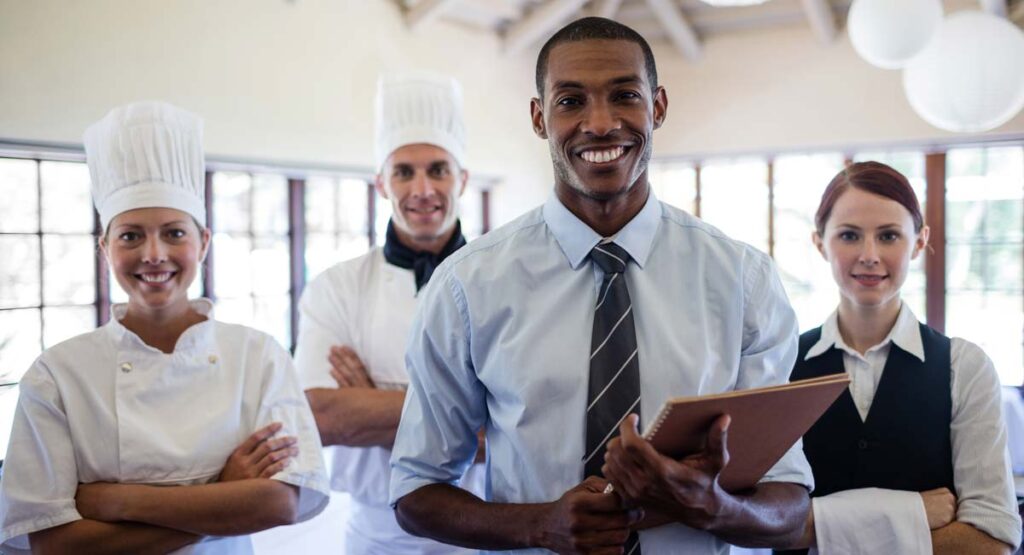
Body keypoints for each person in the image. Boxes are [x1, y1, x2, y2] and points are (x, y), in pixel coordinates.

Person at [389, 17, 813, 554]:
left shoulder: (741, 281)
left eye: (624, 96)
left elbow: (789, 504)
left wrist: (712, 508)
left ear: (657, 107)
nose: (600, 123)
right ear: (539, 118)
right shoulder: (467, 286)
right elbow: (413, 491)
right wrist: (539, 525)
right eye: (570, 101)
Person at [0, 101, 330, 554]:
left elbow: (279, 503)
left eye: (174, 233)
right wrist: (225, 492)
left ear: (204, 242)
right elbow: (55, 545)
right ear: (105, 247)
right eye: (131, 235)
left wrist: (116, 500)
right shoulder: (57, 374)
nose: (153, 254)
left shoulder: (257, 355)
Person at [778, 161, 1021, 555]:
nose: (870, 255)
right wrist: (908, 513)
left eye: (889, 236)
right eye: (849, 235)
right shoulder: (780, 365)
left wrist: (819, 526)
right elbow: (759, 523)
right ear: (820, 242)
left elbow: (992, 539)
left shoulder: (965, 367)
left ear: (920, 242)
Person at [295, 71, 483, 554]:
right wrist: (471, 419)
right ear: (381, 182)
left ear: (461, 178)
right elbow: (322, 415)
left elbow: (531, 425)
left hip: (488, 522)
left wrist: (372, 403)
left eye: (438, 169)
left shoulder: (506, 278)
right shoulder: (336, 286)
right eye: (404, 171)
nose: (422, 188)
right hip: (377, 532)